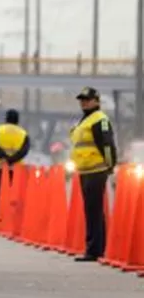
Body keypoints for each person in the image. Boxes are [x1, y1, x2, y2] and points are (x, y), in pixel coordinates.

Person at [70, 86, 117, 262]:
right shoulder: (85, 120)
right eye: (82, 99)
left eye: (87, 99)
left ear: (97, 101)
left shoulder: (99, 120)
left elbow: (107, 145)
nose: (83, 102)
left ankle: (94, 249)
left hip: (96, 170)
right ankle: (97, 247)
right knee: (92, 211)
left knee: (94, 211)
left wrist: (110, 166)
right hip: (86, 171)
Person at [0, 109, 30, 227]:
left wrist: (4, 158)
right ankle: (14, 222)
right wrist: (12, 159)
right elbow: (24, 151)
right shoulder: (23, 133)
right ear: (17, 119)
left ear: (6, 118)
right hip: (16, 171)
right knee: (15, 198)